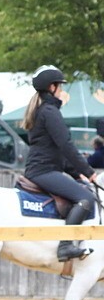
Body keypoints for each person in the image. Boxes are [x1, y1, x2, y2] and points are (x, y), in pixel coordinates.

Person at [21, 65, 98, 261]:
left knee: (82, 189)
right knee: (85, 198)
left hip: (44, 169)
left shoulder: (43, 110)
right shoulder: (49, 112)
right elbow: (65, 145)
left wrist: (75, 173)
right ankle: (65, 246)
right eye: (60, 87)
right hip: (43, 171)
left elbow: (55, 151)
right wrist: (88, 171)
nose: (62, 92)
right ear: (52, 87)